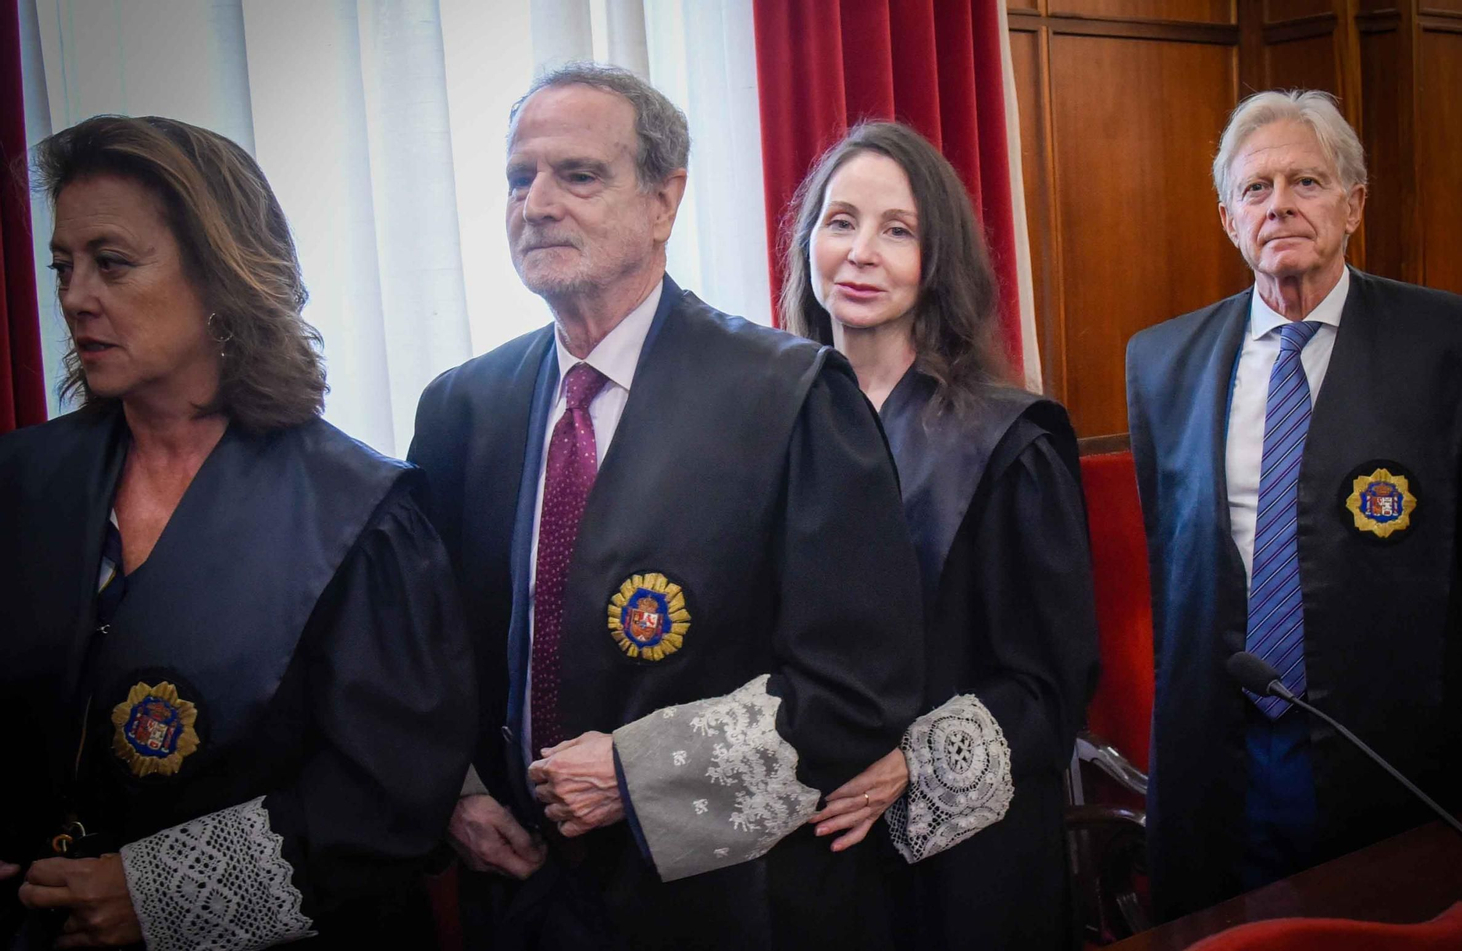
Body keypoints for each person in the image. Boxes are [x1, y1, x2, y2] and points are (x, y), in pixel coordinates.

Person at [406, 64, 924, 950]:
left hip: (726, 904)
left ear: (663, 200)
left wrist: (638, 775)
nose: (536, 203)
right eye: (518, 179)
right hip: (517, 897)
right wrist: (453, 790)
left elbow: (857, 690)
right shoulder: (463, 407)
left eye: (578, 175)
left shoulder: (792, 397)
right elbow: (420, 651)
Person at [0, 116, 476, 949]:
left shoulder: (358, 513)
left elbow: (389, 797)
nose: (76, 296)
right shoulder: (21, 480)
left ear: (220, 275)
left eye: (111, 263)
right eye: (63, 265)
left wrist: (157, 894)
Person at [1125, 89, 1462, 920]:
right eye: (1255, 189)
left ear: (1355, 204)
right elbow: (1177, 563)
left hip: (1389, 757)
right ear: (1227, 217)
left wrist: (1436, 700)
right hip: (1223, 759)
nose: (1279, 203)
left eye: (1307, 181)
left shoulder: (1456, 350)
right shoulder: (1161, 364)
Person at [782, 121, 1100, 949]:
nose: (859, 252)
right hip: (808, 845)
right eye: (840, 220)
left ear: (938, 260)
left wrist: (909, 765)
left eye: (897, 230)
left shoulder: (1009, 443)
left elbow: (1049, 687)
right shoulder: (768, 424)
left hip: (964, 864)